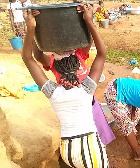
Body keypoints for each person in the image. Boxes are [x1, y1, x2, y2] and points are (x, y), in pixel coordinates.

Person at [22, 4, 110, 167]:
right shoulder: (86, 90)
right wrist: (89, 21)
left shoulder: (54, 93)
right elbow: (102, 53)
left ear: (56, 70)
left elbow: (28, 58)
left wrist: (32, 27)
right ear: (79, 66)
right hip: (89, 145)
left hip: (68, 149)